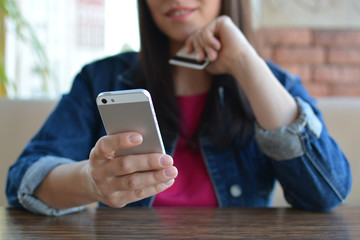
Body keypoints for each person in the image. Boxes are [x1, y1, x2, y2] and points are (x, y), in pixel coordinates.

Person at [6, 0, 351, 216]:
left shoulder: (272, 84)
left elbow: (327, 192)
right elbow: (24, 180)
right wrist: (91, 182)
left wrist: (246, 63)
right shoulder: (101, 78)